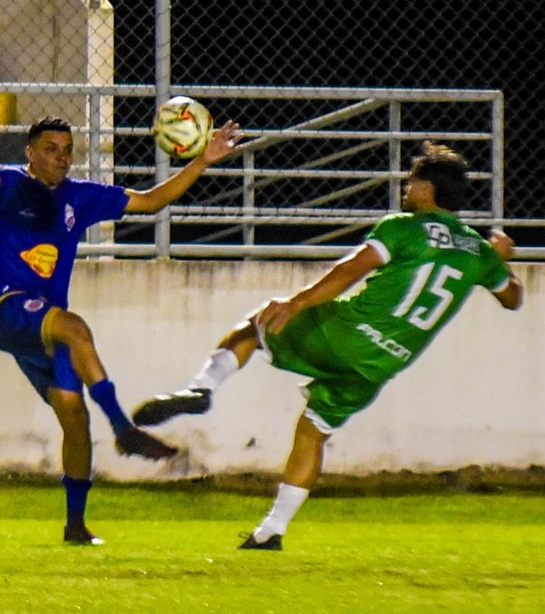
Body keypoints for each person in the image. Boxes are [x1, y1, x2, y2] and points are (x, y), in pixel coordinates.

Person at [132, 141, 524, 550]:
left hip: (344, 333)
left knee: (257, 323)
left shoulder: (401, 227)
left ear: (428, 188)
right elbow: (513, 299)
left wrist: (296, 302)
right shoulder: (478, 253)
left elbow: (349, 270)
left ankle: (202, 388)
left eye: (412, 182)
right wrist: (501, 259)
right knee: (313, 431)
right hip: (382, 364)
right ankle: (271, 532)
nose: (406, 190)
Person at [0, 116, 242, 544]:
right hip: (0, 306)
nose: (62, 157)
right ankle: (124, 430)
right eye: (51, 149)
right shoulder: (1, 183)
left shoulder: (82, 197)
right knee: (76, 328)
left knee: (75, 416)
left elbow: (151, 202)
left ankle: (75, 525)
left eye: (68, 149)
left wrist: (204, 159)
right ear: (29, 154)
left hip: (43, 324)